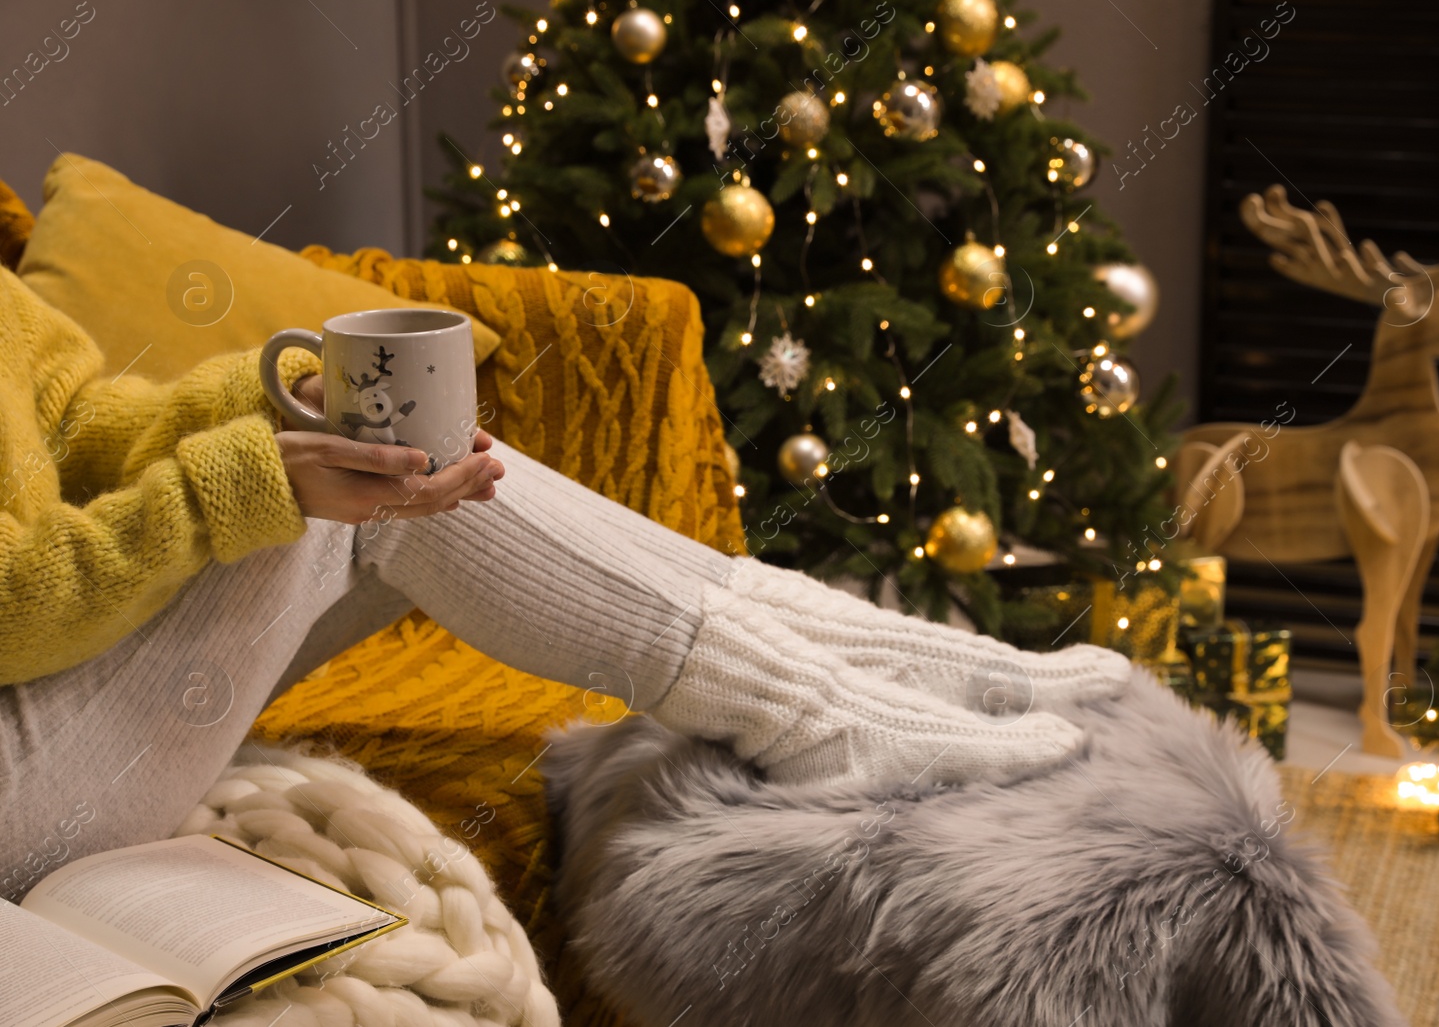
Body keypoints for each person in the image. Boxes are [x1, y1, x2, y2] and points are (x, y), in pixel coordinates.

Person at [0, 267, 1131, 899]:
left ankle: (895, 664)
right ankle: (822, 713)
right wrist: (244, 480)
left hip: (65, 691)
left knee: (394, 449)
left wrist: (299, 397)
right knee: (340, 506)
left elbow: (85, 428)